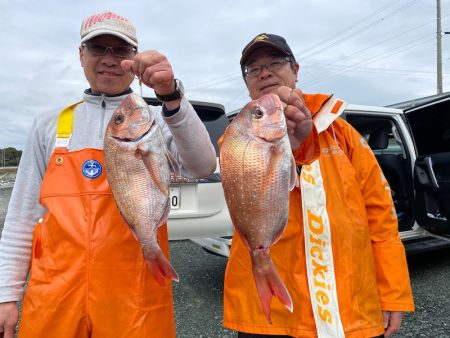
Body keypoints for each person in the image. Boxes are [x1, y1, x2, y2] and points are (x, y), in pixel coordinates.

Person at [0, 11, 216, 338]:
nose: (109, 59)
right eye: (98, 48)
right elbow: (21, 215)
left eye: (121, 50)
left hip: (133, 295)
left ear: (135, 58)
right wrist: (7, 294)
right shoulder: (50, 124)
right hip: (54, 295)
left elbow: (203, 166)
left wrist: (172, 97)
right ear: (81, 55)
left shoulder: (157, 119)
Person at [222, 33, 415, 338]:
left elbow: (381, 215)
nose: (265, 73)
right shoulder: (237, 137)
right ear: (247, 83)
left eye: (275, 62)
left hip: (350, 306)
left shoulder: (343, 134)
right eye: (253, 69)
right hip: (270, 313)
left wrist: (393, 292)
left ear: (295, 70)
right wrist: (293, 147)